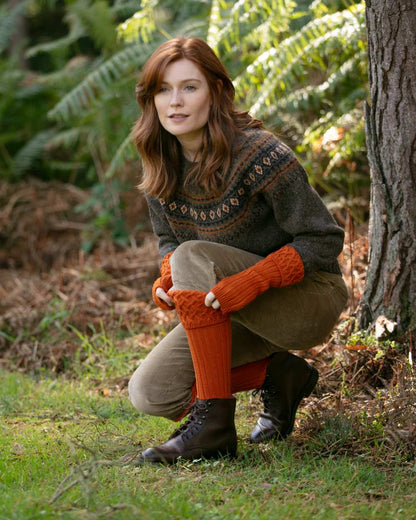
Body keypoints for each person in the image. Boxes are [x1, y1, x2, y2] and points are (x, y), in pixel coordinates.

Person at [128, 37, 348, 463]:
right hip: (231, 304)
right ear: (150, 99)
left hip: (307, 297)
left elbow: (324, 239)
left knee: (193, 255)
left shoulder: (260, 154)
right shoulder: (160, 160)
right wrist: (168, 276)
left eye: (189, 87)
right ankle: (281, 376)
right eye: (163, 89)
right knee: (151, 393)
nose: (175, 101)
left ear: (217, 92)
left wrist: (255, 279)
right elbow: (171, 241)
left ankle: (211, 428)